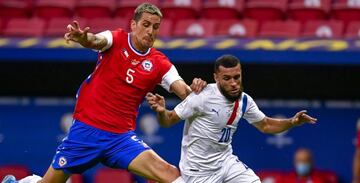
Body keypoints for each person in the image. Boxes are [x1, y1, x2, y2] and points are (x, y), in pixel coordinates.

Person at [1, 3, 206, 183]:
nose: (150, 31)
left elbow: (184, 91)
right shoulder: (115, 39)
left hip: (121, 139)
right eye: (145, 25)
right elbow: (96, 40)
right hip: (86, 131)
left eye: (155, 27)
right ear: (133, 25)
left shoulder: (160, 63)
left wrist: (196, 90)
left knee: (171, 175)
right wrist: (83, 38)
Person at [146, 54, 317, 183]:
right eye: (227, 78)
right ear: (216, 78)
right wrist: (161, 111)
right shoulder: (202, 96)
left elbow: (265, 125)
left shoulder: (244, 100)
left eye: (237, 77)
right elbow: (168, 120)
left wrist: (292, 122)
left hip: (226, 163)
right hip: (198, 172)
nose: (234, 83)